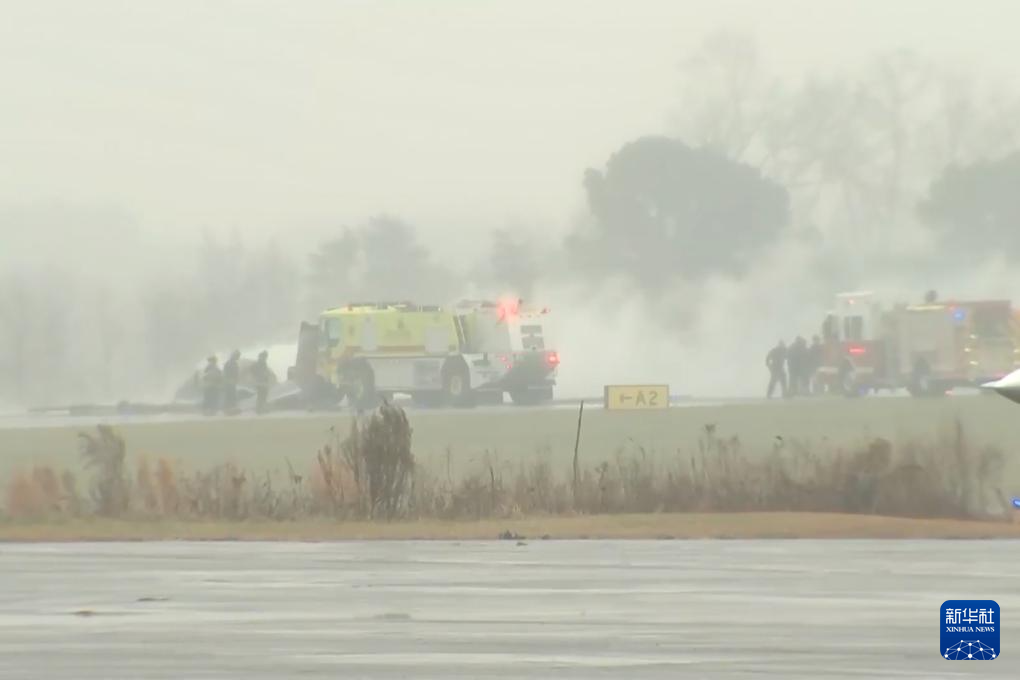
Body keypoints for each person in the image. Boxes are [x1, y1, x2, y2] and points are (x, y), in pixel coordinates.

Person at [251, 350, 272, 415]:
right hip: (260, 382)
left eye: (266, 357)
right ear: (261, 356)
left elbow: (265, 371)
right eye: (264, 357)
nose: (265, 358)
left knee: (264, 395)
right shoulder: (257, 364)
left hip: (264, 382)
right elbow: (253, 370)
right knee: (261, 395)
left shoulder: (264, 363)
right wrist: (258, 376)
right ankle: (259, 409)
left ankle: (262, 408)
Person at [222, 350, 241, 414]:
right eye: (238, 356)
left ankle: (230, 408)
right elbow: (228, 373)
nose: (238, 358)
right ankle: (229, 409)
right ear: (234, 356)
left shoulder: (232, 363)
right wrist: (232, 379)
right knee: (230, 395)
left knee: (231, 394)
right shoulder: (230, 363)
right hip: (230, 381)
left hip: (231, 381)